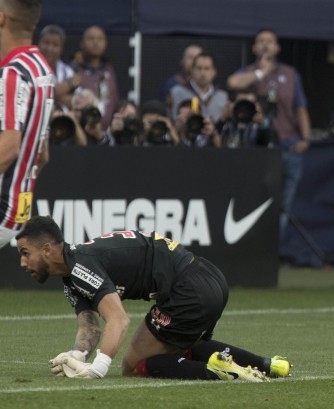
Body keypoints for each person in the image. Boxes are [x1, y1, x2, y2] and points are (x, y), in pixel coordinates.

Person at [17, 215, 291, 381]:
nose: (22, 262)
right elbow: (89, 326)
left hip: (189, 288)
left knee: (134, 367)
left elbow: (118, 320)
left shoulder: (81, 266)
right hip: (208, 278)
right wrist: (76, 355)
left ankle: (219, 371)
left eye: (25, 252)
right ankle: (268, 365)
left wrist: (98, 367)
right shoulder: (72, 273)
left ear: (48, 249)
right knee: (180, 346)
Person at [227, 29, 311, 238]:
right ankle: (254, 248)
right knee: (256, 199)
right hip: (257, 147)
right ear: (254, 47)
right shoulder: (248, 72)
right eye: (261, 41)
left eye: (270, 41)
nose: (265, 45)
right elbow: (232, 84)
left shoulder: (290, 75)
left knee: (284, 204)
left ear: (277, 47)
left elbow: (300, 107)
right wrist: (260, 73)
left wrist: (306, 138)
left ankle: (276, 253)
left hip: (288, 143)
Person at [0, 0, 54, 249]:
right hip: (19, 206)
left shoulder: (13, 73)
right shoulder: (42, 69)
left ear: (2, 18)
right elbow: (42, 155)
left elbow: (10, 148)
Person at [74, 25, 119, 129]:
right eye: (91, 39)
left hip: (106, 133)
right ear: (82, 43)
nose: (96, 42)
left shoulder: (109, 70)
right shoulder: (75, 69)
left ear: (106, 43)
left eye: (100, 39)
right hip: (82, 133)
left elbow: (114, 101)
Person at [169, 52, 228, 123]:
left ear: (214, 72)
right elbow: (172, 120)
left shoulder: (222, 96)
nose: (202, 73)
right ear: (192, 71)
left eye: (207, 68)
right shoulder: (177, 92)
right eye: (199, 68)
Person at [37, 24, 80, 110]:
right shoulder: (32, 67)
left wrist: (55, 96)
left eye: (55, 45)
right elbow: (41, 95)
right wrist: (69, 84)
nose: (49, 48)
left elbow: (77, 101)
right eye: (46, 43)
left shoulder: (67, 71)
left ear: (61, 48)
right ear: (39, 43)